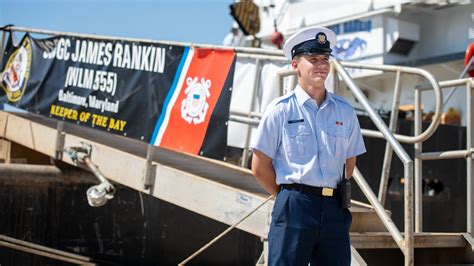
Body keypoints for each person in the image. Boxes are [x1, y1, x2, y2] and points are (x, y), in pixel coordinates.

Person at [250, 26, 366, 266]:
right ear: (295, 65)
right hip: (295, 206)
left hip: (334, 208)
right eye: (313, 59)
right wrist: (291, 196)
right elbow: (260, 167)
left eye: (325, 59)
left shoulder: (345, 110)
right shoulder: (280, 110)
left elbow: (349, 163)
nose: (321, 65)